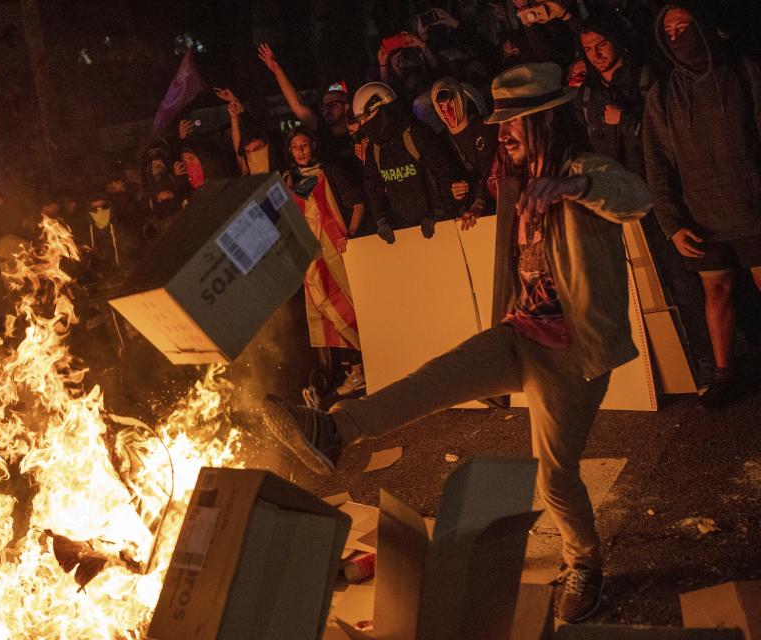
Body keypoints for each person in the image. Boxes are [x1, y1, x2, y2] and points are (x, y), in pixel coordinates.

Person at [263, 63, 651, 624]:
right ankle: (334, 430)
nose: (503, 135)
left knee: (556, 475)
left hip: (574, 352)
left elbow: (634, 198)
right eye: (500, 126)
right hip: (521, 333)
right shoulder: (514, 177)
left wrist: (573, 185)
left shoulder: (582, 169)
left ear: (543, 122)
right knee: (434, 380)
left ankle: (584, 563)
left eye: (513, 125)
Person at [643, 2, 761, 407]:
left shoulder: (745, 71)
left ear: (705, 26)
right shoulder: (662, 94)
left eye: (684, 27)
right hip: (700, 216)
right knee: (716, 292)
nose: (678, 38)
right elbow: (656, 164)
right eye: (669, 32)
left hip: (752, 208)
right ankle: (724, 373)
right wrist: (671, 223)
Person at [284, 127, 365, 396]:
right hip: (310, 260)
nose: (300, 151)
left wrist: (350, 235)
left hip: (336, 252)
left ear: (313, 146)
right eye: (295, 147)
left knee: (348, 307)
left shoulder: (328, 171)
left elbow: (357, 203)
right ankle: (354, 370)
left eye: (304, 145)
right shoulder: (289, 180)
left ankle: (369, 359)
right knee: (328, 317)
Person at [352, 82, 463, 244]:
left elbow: (445, 172)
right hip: (405, 233)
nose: (363, 125)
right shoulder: (374, 149)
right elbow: (373, 188)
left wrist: (439, 213)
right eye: (360, 121)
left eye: (367, 117)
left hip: (441, 226)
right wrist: (382, 221)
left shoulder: (417, 133)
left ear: (384, 108)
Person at [257, 43, 355, 167]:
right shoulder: (322, 129)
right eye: (324, 105)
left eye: (333, 103)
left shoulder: (359, 131)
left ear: (347, 107)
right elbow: (297, 105)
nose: (327, 108)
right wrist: (277, 70)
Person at [576, 18, 646, 176]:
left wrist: (625, 119)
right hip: (613, 193)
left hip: (649, 190)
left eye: (601, 45)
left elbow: (667, 140)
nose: (596, 55)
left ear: (616, 42)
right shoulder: (586, 96)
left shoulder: (645, 80)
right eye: (588, 49)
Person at [430, 77, 500, 227]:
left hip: (496, 210)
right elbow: (441, 178)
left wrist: (480, 202)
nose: (447, 111)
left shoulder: (487, 127)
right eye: (441, 107)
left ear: (462, 100)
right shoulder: (440, 141)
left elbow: (492, 168)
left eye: (451, 104)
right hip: (468, 220)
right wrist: (453, 190)